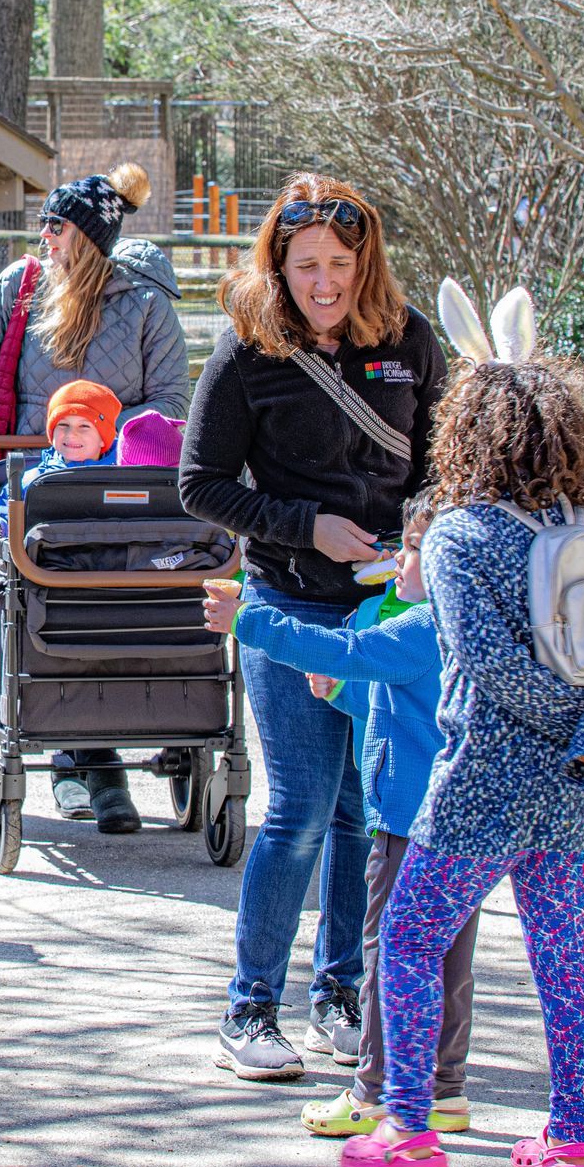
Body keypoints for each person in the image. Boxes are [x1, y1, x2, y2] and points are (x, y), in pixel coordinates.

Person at [334, 348, 584, 1167]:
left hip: (487, 780)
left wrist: (563, 731)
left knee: (410, 939)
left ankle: (408, 1125)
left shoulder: (458, 536)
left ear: (468, 438)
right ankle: (573, 1141)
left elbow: (489, 666)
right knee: (564, 955)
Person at [179, 174, 447, 1081]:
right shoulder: (248, 351)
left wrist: (419, 532)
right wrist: (304, 526)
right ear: (277, 266)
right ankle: (249, 1008)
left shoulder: (410, 340)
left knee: (360, 814)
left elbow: (449, 463)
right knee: (296, 811)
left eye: (339, 263)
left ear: (364, 260)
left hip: (387, 611)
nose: (323, 283)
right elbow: (199, 485)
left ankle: (339, 996)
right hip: (291, 602)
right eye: (305, 267)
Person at [202, 496, 482, 1139]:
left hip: (406, 829)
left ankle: (375, 1092)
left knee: (393, 953)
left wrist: (250, 620)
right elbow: (385, 692)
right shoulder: (454, 628)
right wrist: (342, 687)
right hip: (454, 826)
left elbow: (349, 653)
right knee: (449, 958)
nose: (395, 559)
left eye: (411, 549)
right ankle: (446, 1089)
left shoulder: (421, 627)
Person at [0, 163, 187, 826]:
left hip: (115, 483)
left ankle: (93, 754)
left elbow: (169, 401)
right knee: (36, 591)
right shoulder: (21, 288)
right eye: (43, 222)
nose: (43, 236)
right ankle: (88, 760)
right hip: (29, 478)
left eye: (57, 225)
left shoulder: (146, 305)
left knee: (109, 600)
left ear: (90, 237)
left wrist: (98, 433)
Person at [0, 379, 121, 528]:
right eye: (63, 425)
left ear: (104, 439)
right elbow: (7, 523)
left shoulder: (123, 481)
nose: (71, 434)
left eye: (84, 426)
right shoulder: (28, 482)